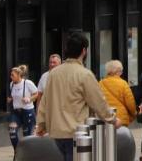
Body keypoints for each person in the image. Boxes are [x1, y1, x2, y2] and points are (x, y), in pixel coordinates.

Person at [36, 32, 119, 161]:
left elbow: (45, 102)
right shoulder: (85, 74)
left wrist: (41, 125)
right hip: (76, 131)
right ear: (84, 51)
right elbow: (98, 101)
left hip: (57, 132)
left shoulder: (53, 73)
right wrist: (112, 119)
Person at [7, 65, 37, 151]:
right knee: (12, 131)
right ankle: (17, 152)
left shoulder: (27, 83)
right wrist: (11, 99)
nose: (11, 77)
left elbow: (36, 94)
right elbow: (15, 96)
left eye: (13, 75)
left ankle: (27, 155)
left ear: (19, 75)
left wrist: (29, 99)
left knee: (27, 135)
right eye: (11, 75)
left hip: (27, 112)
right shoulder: (11, 84)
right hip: (16, 112)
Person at [99, 60, 137, 126]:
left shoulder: (100, 83)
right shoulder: (123, 84)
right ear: (117, 71)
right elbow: (130, 103)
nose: (121, 73)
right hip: (121, 119)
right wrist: (134, 113)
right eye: (121, 71)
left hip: (105, 118)